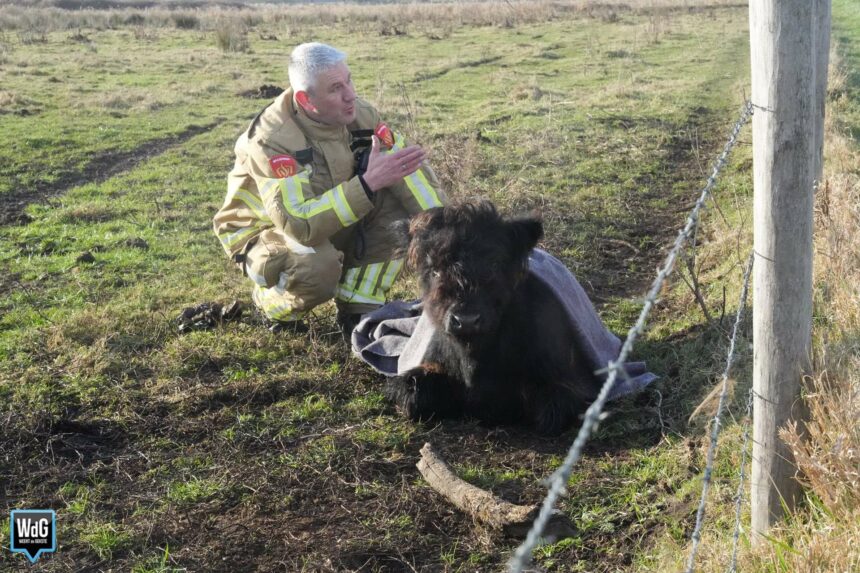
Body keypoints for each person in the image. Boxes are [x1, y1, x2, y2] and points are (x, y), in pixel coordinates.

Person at [213, 42, 447, 337]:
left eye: (349, 79)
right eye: (336, 88)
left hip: (329, 219)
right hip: (266, 232)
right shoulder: (273, 140)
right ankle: (272, 305)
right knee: (317, 266)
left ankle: (359, 303)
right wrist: (368, 183)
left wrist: (447, 229)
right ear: (306, 100)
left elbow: (407, 172)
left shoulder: (360, 115)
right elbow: (298, 223)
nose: (351, 94)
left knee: (403, 208)